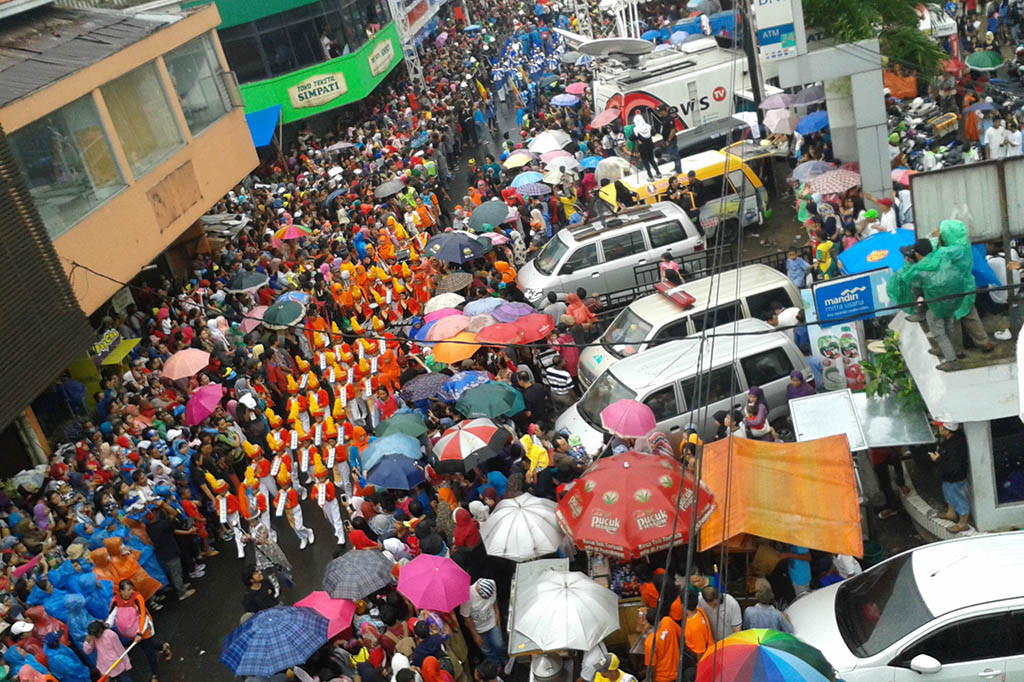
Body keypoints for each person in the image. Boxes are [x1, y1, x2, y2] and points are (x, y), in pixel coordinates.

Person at [930, 422, 970, 532]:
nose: (939, 428)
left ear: (948, 430)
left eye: (940, 426)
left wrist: (937, 459)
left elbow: (953, 465)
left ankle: (963, 523)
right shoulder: (949, 440)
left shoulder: (956, 445)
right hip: (948, 476)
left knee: (957, 497)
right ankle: (951, 513)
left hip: (955, 477)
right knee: (948, 493)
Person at [458, 578, 506, 666]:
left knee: (499, 644)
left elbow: (494, 601)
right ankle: (496, 665)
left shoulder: (492, 583)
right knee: (487, 650)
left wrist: (497, 615)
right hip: (479, 629)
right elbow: (467, 618)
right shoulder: (467, 597)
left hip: (492, 623)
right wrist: (475, 635)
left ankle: (504, 659)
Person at [642, 607, 682, 682]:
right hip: (678, 672)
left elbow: (651, 667)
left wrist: (653, 680)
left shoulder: (650, 642)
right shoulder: (668, 621)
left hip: (662, 678)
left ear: (648, 623)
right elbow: (681, 635)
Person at [682, 591, 713, 659]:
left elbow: (700, 652)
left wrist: (699, 664)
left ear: (683, 605)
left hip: (698, 655)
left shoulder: (694, 627)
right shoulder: (699, 610)